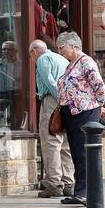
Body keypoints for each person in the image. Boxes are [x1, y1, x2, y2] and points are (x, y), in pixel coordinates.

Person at [55, 31, 105, 205]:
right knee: (77, 153)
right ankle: (80, 191)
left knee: (84, 153)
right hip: (71, 114)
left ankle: (84, 193)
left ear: (73, 46)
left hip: (84, 113)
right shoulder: (71, 64)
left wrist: (98, 106)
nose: (59, 51)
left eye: (61, 47)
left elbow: (99, 86)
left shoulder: (86, 62)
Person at [29, 39, 73, 198]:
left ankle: (54, 184)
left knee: (51, 142)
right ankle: (68, 182)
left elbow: (49, 81)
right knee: (66, 143)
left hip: (53, 101)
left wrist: (60, 99)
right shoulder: (62, 58)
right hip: (68, 101)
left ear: (34, 52)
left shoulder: (42, 59)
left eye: (30, 56)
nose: (32, 60)